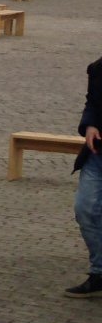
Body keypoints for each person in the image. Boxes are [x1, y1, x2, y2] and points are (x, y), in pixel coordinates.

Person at [67, 52, 102, 296]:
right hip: (98, 153)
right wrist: (90, 124)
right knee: (85, 208)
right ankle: (100, 272)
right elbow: (92, 102)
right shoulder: (98, 68)